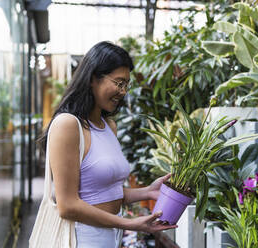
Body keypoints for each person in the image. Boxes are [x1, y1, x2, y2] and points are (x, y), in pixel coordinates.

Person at [38, 41, 176, 248]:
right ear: (94, 78)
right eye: (119, 83)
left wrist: (147, 192)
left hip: (110, 237)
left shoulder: (108, 126)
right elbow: (67, 206)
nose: (123, 92)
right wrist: (130, 223)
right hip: (80, 238)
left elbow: (105, 192)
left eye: (126, 85)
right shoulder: (68, 125)